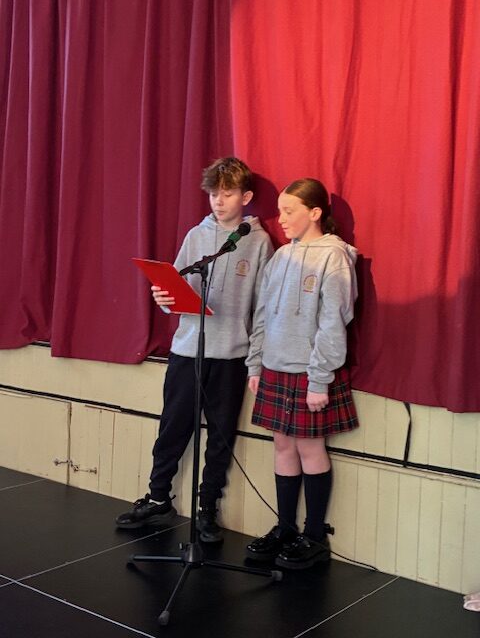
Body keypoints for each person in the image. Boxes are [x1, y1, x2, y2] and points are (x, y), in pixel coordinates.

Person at [116, 157, 273, 542]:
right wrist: (163, 299)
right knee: (173, 425)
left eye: (228, 194)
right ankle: (158, 497)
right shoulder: (196, 236)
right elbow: (175, 287)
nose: (219, 201)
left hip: (231, 356)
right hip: (189, 351)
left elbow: (263, 308)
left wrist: (254, 360)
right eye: (214, 193)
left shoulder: (258, 242)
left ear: (245, 197)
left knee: (220, 437)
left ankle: (207, 510)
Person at [244, 178, 359, 569]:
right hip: (274, 367)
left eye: (289, 211)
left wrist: (319, 378)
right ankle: (285, 528)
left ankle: (313, 536)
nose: (281, 219)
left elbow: (333, 322)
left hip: (309, 372)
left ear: (315, 213)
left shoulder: (334, 257)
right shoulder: (280, 257)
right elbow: (262, 314)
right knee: (282, 446)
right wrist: (256, 363)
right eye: (279, 211)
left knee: (311, 449)